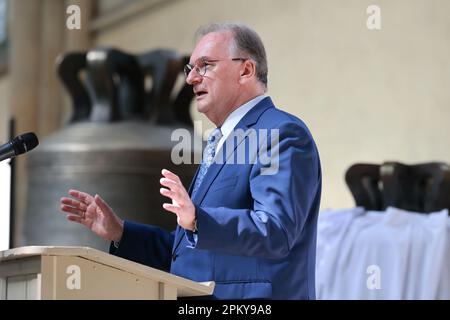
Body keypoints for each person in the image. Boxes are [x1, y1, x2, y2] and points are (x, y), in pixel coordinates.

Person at [60, 22, 321, 299]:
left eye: (205, 65)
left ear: (245, 70)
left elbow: (275, 230)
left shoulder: (279, 134)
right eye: (190, 69)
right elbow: (187, 254)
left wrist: (198, 219)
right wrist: (121, 233)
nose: (191, 79)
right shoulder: (218, 142)